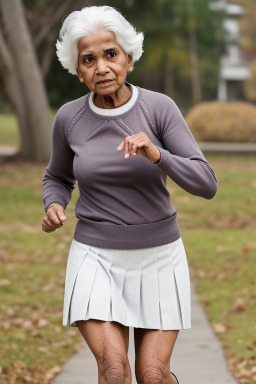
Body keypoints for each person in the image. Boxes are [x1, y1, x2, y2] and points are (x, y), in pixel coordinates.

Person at [42, 5, 218, 384]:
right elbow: (56, 176)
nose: (101, 67)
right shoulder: (68, 119)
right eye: (88, 59)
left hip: (159, 256)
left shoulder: (159, 109)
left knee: (153, 375)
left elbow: (206, 183)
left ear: (129, 59)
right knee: (114, 370)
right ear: (78, 70)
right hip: (95, 256)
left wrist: (159, 155)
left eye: (111, 54)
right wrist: (54, 204)